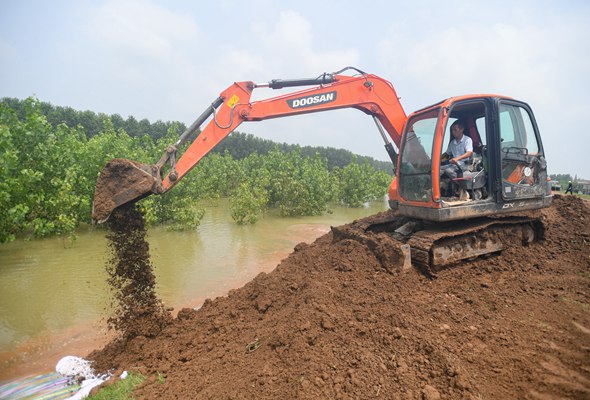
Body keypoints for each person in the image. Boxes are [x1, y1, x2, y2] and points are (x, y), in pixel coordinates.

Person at [440, 119, 473, 197]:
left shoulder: (467, 140)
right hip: (454, 164)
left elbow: (469, 153)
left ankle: (463, 188)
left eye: (455, 130)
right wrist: (438, 159)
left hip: (465, 164)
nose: (453, 132)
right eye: (452, 130)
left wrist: (457, 158)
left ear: (461, 130)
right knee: (438, 169)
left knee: (448, 170)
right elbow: (447, 154)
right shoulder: (452, 143)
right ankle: (440, 190)